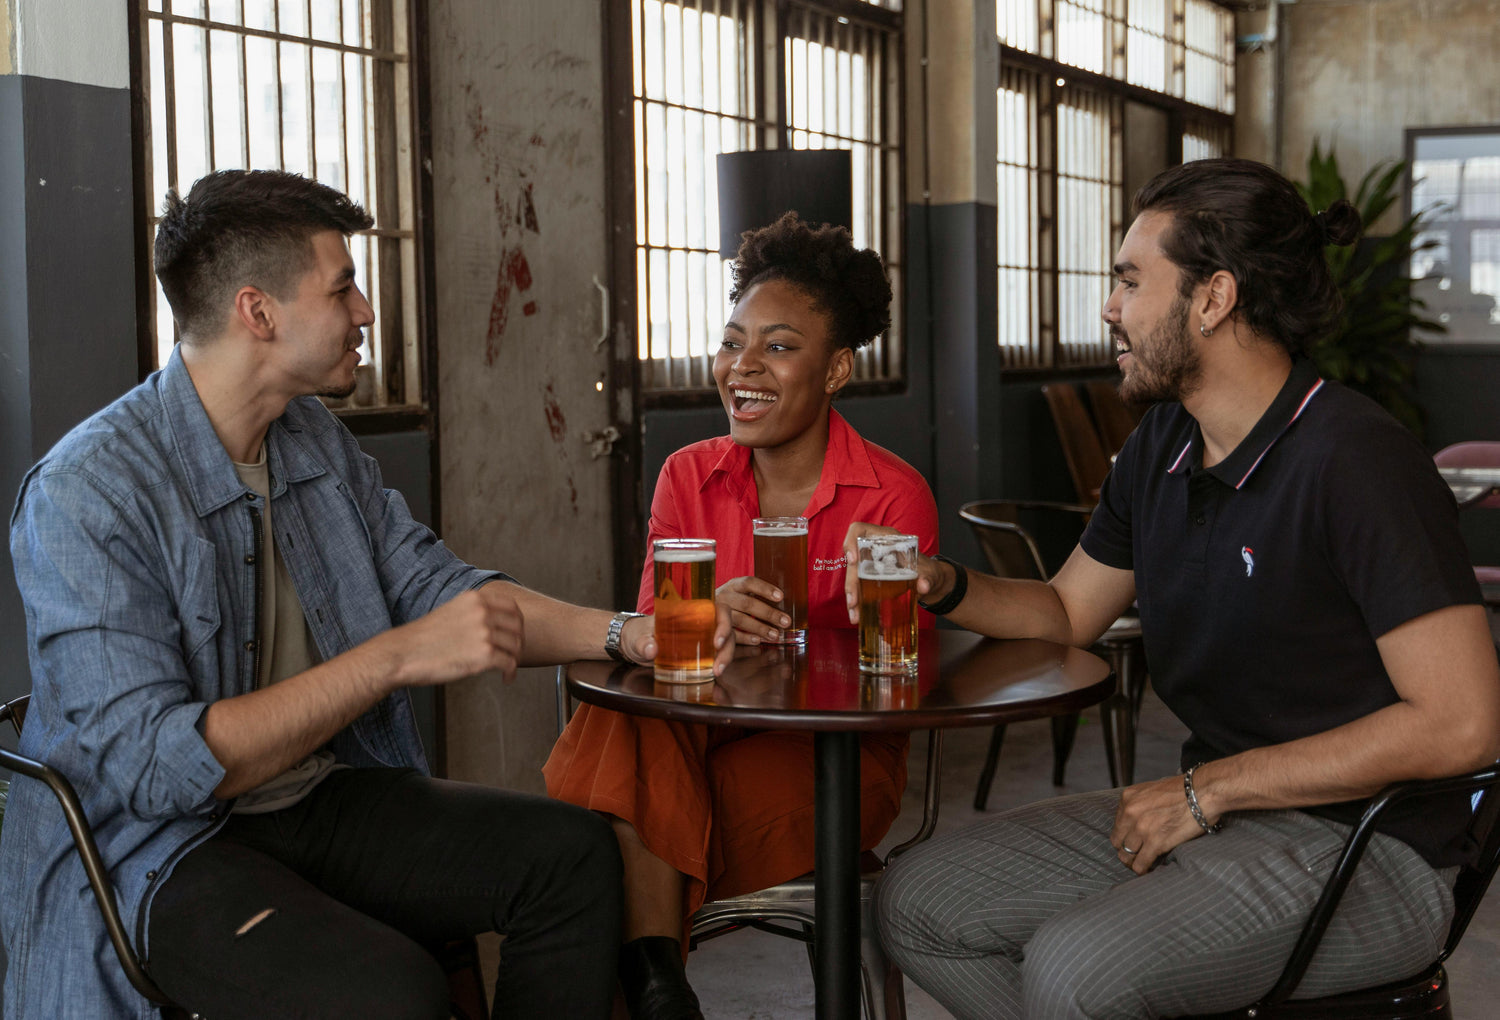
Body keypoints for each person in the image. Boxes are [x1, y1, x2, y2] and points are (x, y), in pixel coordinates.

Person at [1, 169, 731, 1020]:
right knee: (392, 991)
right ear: (258, 312)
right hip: (155, 849)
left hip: (309, 794)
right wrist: (393, 658)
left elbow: (437, 591)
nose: (366, 313)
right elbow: (160, 770)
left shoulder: (311, 439)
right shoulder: (90, 491)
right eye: (343, 286)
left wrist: (628, 633)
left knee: (570, 855)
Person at [853, 158, 1500, 1019]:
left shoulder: (1356, 460)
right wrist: (939, 582)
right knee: (917, 904)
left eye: (1129, 280)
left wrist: (1209, 791)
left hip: (1376, 849)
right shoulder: (1162, 444)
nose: (1110, 308)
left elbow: (1461, 723)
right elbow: (1066, 612)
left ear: (1213, 298)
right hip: (1221, 814)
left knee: (1075, 973)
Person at [544, 213, 939, 1019]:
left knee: (600, 837)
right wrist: (703, 607)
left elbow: (897, 677)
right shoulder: (688, 474)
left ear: (836, 371)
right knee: (627, 739)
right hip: (691, 736)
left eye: (779, 347)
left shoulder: (891, 495)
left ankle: (651, 988)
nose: (742, 367)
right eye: (732, 342)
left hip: (830, 761)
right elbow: (655, 645)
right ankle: (659, 990)